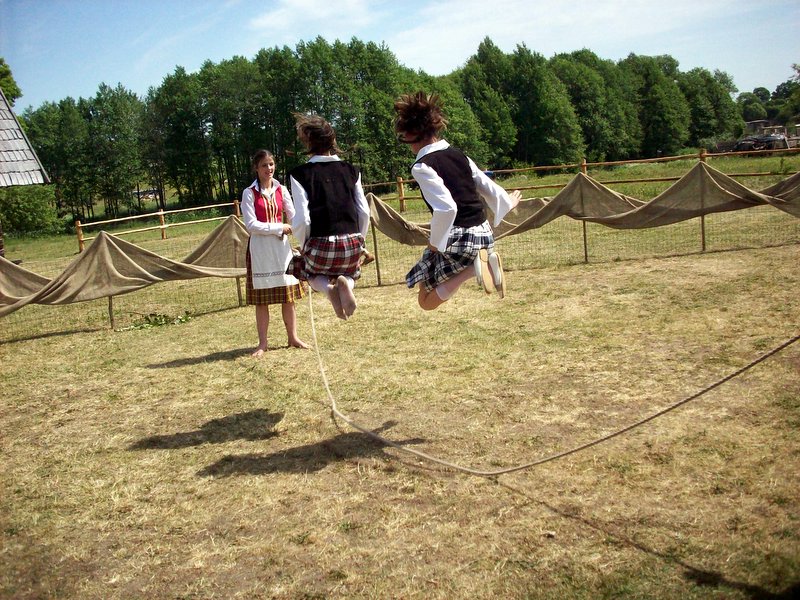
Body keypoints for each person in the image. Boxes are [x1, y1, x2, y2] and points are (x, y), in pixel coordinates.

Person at [394, 91, 522, 310]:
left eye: (404, 137)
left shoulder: (422, 166)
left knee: (425, 301)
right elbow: (485, 184)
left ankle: (473, 270)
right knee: (425, 282)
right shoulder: (459, 154)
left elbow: (447, 209)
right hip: (485, 234)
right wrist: (507, 202)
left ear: (413, 133)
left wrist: (435, 244)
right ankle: (483, 263)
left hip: (460, 238)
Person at [288, 113, 370, 320]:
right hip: (351, 242)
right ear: (332, 140)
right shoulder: (351, 170)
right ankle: (346, 283)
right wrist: (360, 241)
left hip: (319, 244)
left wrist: (304, 244)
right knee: (351, 272)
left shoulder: (299, 174)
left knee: (308, 272)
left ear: (308, 142)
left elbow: (303, 219)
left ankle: (329, 290)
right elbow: (364, 211)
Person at [241, 149, 309, 357]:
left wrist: (304, 228)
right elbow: (251, 225)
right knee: (262, 299)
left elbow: (294, 216)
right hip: (261, 250)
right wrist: (279, 227)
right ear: (256, 168)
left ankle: (293, 337)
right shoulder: (249, 193)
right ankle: (263, 343)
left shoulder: (281, 189)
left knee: (288, 296)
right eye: (264, 165)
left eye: (271, 164)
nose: (269, 168)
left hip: (281, 249)